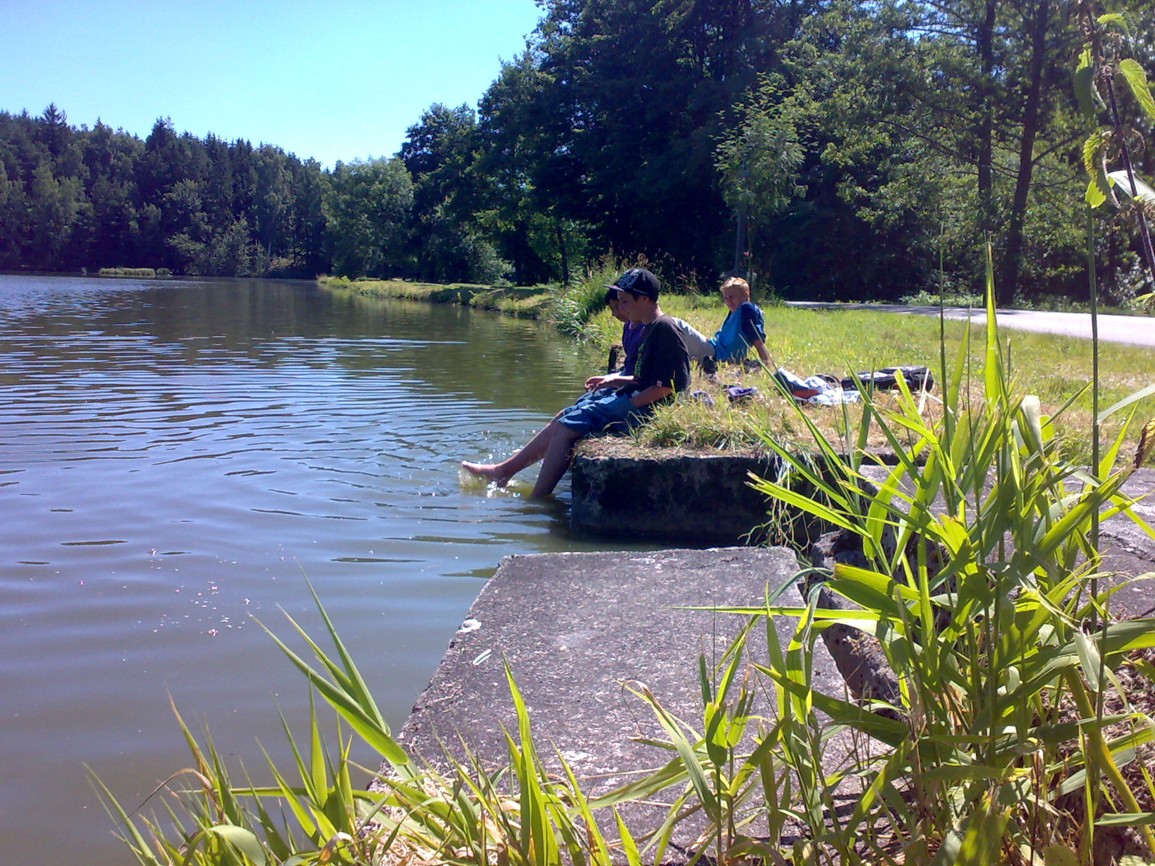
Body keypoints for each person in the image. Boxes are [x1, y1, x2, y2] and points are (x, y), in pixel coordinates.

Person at [462, 267, 690, 498]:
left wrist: (626, 404)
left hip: (647, 411)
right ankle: (503, 472)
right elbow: (643, 378)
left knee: (566, 427)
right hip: (638, 400)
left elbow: (666, 387)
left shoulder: (665, 328)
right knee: (565, 415)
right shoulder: (650, 327)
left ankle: (537, 499)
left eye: (625, 301)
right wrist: (614, 381)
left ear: (645, 299)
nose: (621, 308)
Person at [668, 276, 772, 369]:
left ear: (745, 295)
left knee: (677, 324)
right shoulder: (735, 312)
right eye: (726, 298)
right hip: (715, 350)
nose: (728, 301)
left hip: (717, 355)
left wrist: (766, 360)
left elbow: (755, 336)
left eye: (732, 297)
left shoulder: (746, 308)